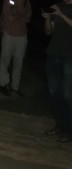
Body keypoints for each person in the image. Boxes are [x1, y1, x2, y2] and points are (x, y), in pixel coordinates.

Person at [42, 0, 72, 143]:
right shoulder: (58, 5)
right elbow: (48, 31)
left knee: (68, 94)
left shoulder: (63, 9)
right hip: (53, 53)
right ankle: (60, 125)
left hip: (69, 56)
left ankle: (69, 130)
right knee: (55, 93)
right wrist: (48, 19)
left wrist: (61, 14)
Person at [0, 0, 32, 97]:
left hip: (22, 35)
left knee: (19, 62)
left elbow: (28, 18)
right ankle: (3, 84)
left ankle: (15, 87)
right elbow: (9, 16)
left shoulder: (26, 1)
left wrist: (17, 13)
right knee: (5, 61)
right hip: (8, 33)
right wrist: (21, 15)